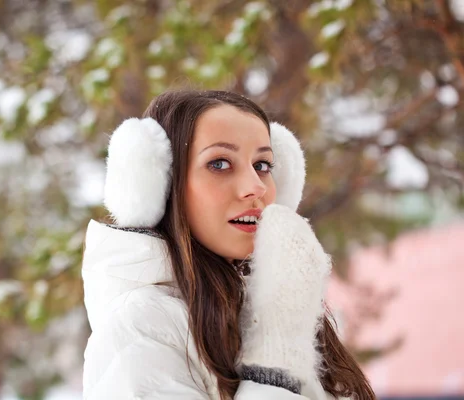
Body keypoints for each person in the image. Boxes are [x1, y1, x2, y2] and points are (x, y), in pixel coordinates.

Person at [81, 90, 376, 400]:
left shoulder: (272, 307)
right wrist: (274, 365)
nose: (255, 187)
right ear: (162, 185)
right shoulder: (139, 326)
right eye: (219, 164)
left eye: (262, 165)